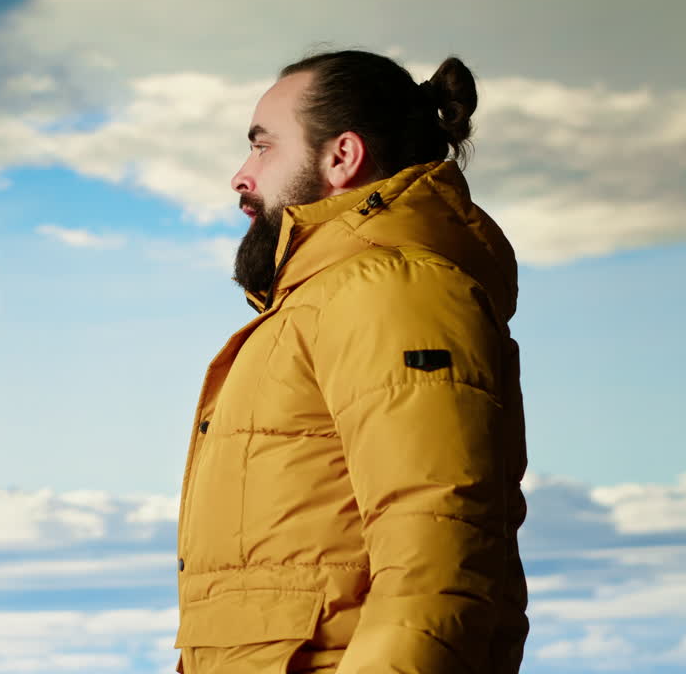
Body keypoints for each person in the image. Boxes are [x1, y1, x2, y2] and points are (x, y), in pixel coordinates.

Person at [173, 49, 529, 674]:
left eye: (263, 147)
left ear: (342, 156)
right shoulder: (323, 302)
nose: (241, 175)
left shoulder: (392, 289)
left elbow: (436, 553)